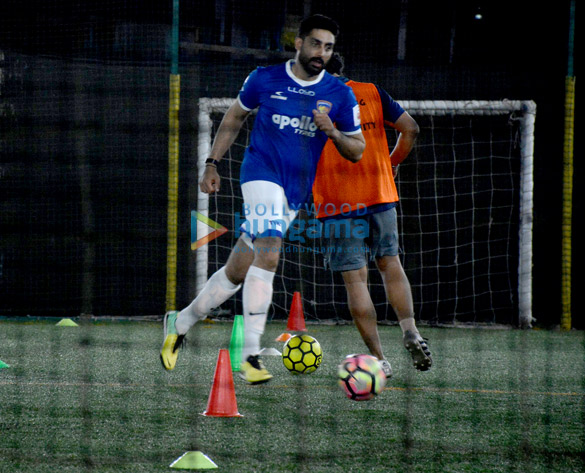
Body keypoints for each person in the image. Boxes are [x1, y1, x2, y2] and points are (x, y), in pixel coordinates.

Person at [160, 16, 365, 384]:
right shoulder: (264, 79)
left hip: (295, 191)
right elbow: (234, 119)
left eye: (329, 47)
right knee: (270, 248)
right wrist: (211, 163)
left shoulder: (339, 94)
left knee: (239, 269)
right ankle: (249, 355)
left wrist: (332, 130)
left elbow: (357, 150)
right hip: (260, 173)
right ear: (299, 43)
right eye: (316, 44)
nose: (322, 53)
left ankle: (179, 322)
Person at [312, 53, 431, 378]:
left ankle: (380, 359)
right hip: (380, 194)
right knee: (391, 265)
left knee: (356, 280)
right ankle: (410, 331)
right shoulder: (371, 92)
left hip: (337, 203)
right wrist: (390, 164)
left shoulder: (309, 103)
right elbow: (411, 128)